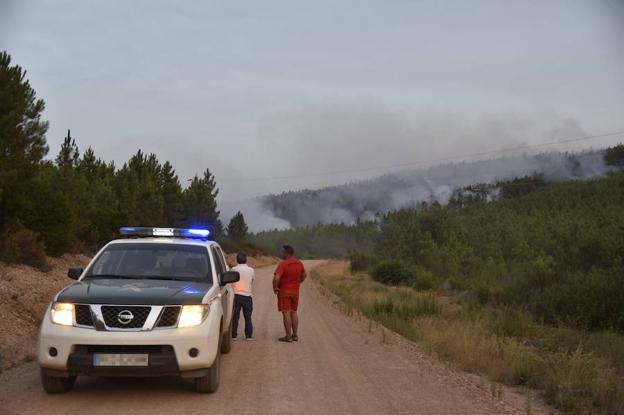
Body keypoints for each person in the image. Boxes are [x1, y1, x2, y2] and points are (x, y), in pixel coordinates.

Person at [273, 245, 306, 342]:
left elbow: (276, 278)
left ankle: (288, 337)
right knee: (294, 312)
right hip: (295, 292)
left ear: (287, 253)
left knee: (286, 312)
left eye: (282, 252)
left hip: (284, 291)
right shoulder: (299, 263)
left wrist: (275, 287)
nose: (281, 254)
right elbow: (304, 275)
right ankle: (295, 335)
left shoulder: (283, 264)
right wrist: (298, 282)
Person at [231, 252, 255, 341]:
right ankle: (248, 335)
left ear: (237, 260)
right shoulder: (251, 270)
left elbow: (231, 282)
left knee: (235, 316)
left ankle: (234, 335)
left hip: (236, 295)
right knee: (248, 316)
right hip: (247, 296)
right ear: (246, 260)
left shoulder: (233, 269)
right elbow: (252, 281)